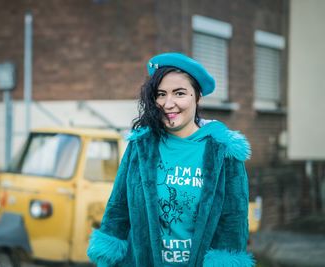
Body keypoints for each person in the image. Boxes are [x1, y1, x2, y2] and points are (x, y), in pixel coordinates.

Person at [87, 52, 254, 267]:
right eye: (161, 94)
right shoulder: (141, 146)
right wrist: (108, 255)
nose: (168, 103)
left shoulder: (223, 152)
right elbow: (118, 208)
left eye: (179, 93)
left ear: (198, 96)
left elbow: (233, 220)